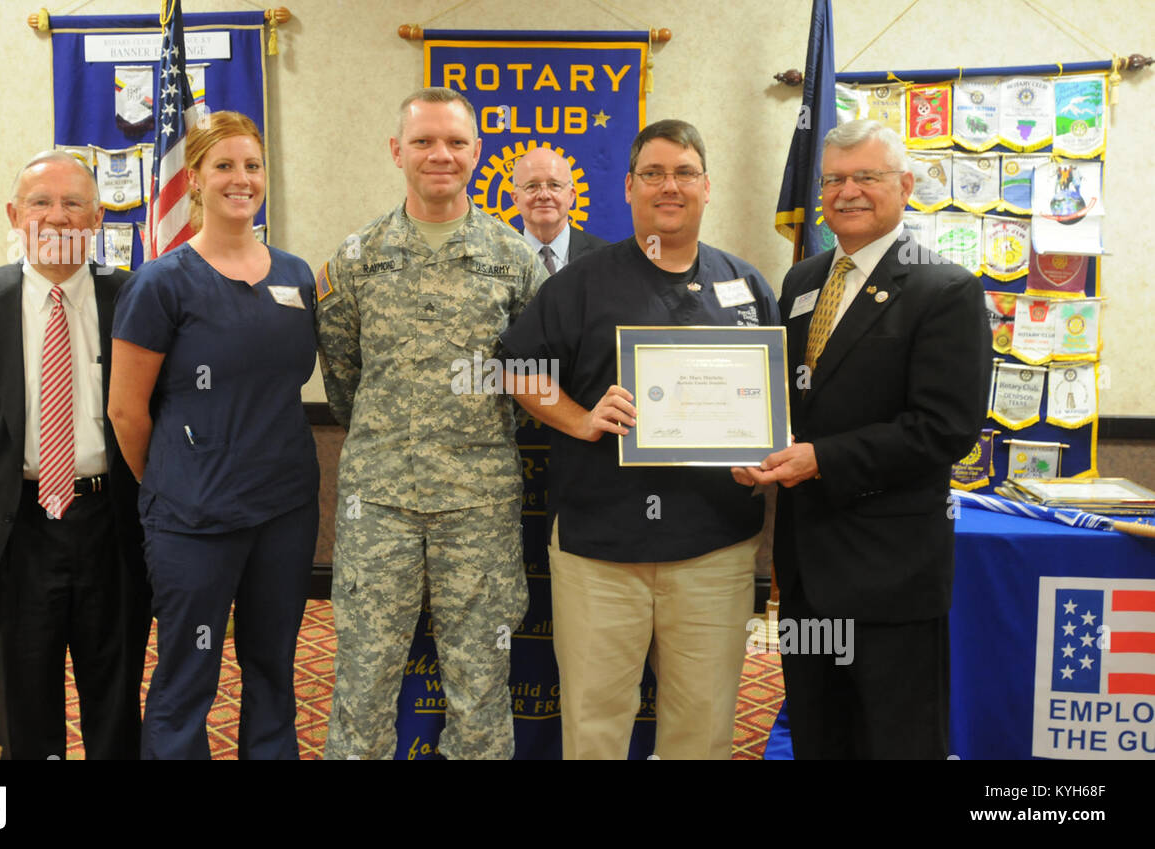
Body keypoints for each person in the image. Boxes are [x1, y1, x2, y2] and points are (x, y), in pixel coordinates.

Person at [501, 119, 777, 759]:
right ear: (627, 187)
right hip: (601, 548)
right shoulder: (582, 281)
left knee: (702, 728)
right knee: (596, 726)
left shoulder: (748, 286)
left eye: (684, 172)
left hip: (715, 547)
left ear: (707, 187)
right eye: (653, 173)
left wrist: (764, 453)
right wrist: (579, 418)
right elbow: (513, 366)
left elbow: (776, 402)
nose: (669, 186)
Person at [734, 119, 991, 759]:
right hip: (805, 564)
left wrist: (822, 459)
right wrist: (749, 444)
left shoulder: (944, 288)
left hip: (890, 570)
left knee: (896, 741)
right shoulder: (801, 282)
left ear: (904, 185)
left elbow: (946, 429)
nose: (846, 192)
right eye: (833, 180)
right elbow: (786, 400)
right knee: (822, 736)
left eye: (865, 177)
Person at [316, 87, 548, 760]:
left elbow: (533, 377)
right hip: (378, 503)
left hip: (479, 506)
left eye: (455, 142)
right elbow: (343, 381)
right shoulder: (357, 258)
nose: (440, 154)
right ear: (397, 151)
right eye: (423, 141)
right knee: (362, 682)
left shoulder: (515, 260)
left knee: (480, 686)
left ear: (477, 153)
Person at [0, 150, 150, 760]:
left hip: (111, 523)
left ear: (99, 217)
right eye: (41, 203)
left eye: (75, 203)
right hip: (15, 526)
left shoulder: (137, 299)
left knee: (116, 694)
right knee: (24, 701)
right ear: (14, 214)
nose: (58, 217)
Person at [108, 111, 319, 759]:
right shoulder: (160, 282)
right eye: (224, 165)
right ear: (194, 179)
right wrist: (175, 483)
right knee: (187, 672)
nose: (241, 178)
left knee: (274, 667)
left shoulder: (296, 275)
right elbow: (126, 411)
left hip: (284, 509)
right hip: (193, 517)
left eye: (252, 166)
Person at [509, 146, 608, 273]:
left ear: (571, 196)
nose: (544, 195)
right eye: (532, 186)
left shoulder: (604, 257)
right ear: (516, 199)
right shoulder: (495, 256)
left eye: (554, 185)